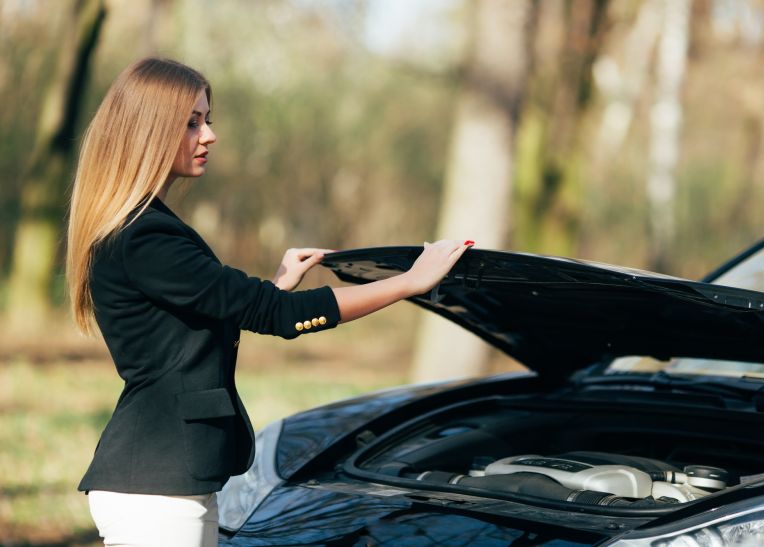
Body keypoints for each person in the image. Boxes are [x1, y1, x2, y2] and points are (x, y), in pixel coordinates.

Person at [66, 57, 472, 547]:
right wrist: (409, 282)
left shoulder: (145, 228)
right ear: (148, 130)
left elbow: (206, 323)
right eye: (192, 122)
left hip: (164, 480)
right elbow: (280, 318)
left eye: (207, 119)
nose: (210, 135)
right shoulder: (146, 237)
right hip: (157, 486)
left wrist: (277, 285)